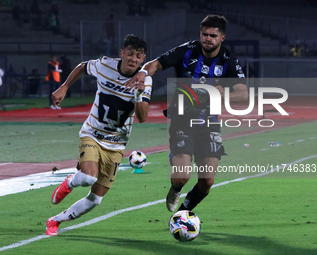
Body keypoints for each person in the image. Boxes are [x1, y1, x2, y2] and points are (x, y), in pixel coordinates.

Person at [126, 15, 248, 213]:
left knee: (207, 181)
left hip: (210, 123)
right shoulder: (187, 51)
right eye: (204, 34)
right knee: (182, 177)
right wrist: (143, 72)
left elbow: (243, 93)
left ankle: (183, 212)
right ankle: (175, 189)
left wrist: (225, 92)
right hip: (182, 120)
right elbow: (156, 63)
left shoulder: (228, 60)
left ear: (222, 38)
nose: (207, 38)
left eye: (213, 35)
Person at [45, 34, 152, 236]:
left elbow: (142, 117)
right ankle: (70, 181)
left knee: (96, 199)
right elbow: (82, 66)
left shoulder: (145, 81)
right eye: (130, 53)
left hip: (117, 144)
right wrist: (64, 86)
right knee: (86, 177)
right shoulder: (105, 65)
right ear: (122, 53)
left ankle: (55, 221)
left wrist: (139, 93)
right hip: (92, 133)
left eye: (138, 56)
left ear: (143, 59)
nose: (133, 59)